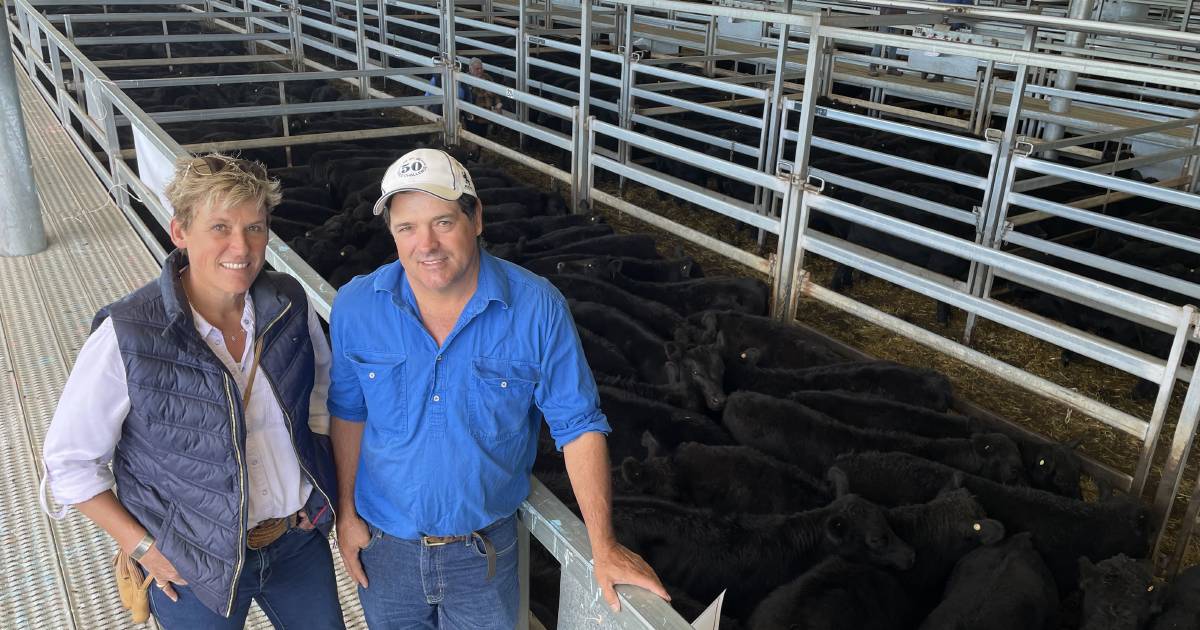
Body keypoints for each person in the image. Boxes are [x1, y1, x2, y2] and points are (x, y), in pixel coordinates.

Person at [328, 148, 669, 629]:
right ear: (392, 232)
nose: (426, 244)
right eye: (407, 227)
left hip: (483, 553)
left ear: (477, 217)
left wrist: (604, 546)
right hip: (386, 550)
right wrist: (345, 513)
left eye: (443, 221)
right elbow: (348, 411)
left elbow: (578, 426)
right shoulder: (356, 306)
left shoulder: (536, 308)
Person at [41, 153, 344, 629]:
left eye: (256, 228)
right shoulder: (130, 334)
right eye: (220, 227)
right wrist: (144, 548)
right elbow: (69, 464)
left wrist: (320, 501)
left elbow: (322, 399)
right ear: (179, 233)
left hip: (295, 543)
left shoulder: (289, 302)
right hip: (190, 566)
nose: (241, 247)